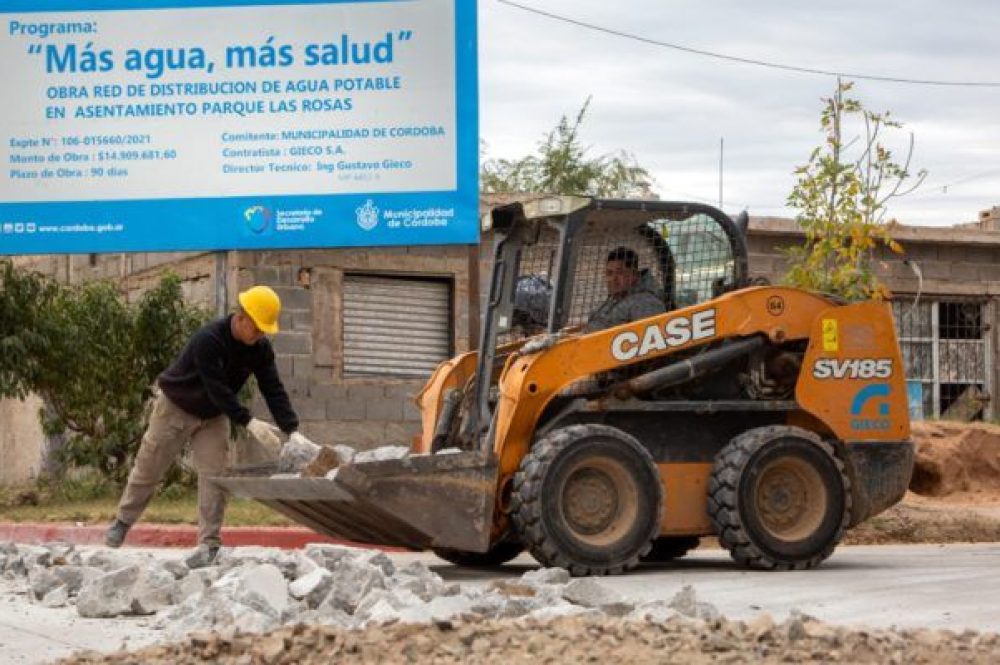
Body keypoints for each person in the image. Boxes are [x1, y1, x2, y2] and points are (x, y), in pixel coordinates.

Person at [105, 285, 301, 567]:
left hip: (213, 416)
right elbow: (217, 388)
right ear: (241, 316)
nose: (259, 335)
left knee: (214, 475)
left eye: (263, 331)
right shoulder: (208, 340)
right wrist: (247, 421)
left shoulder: (260, 349)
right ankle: (123, 522)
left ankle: (209, 542)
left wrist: (291, 429)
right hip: (176, 406)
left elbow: (273, 388)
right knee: (150, 465)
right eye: (256, 328)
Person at [584, 246, 665, 332]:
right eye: (609, 273)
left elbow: (647, 339)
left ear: (634, 274)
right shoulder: (616, 297)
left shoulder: (646, 303)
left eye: (619, 272)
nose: (613, 279)